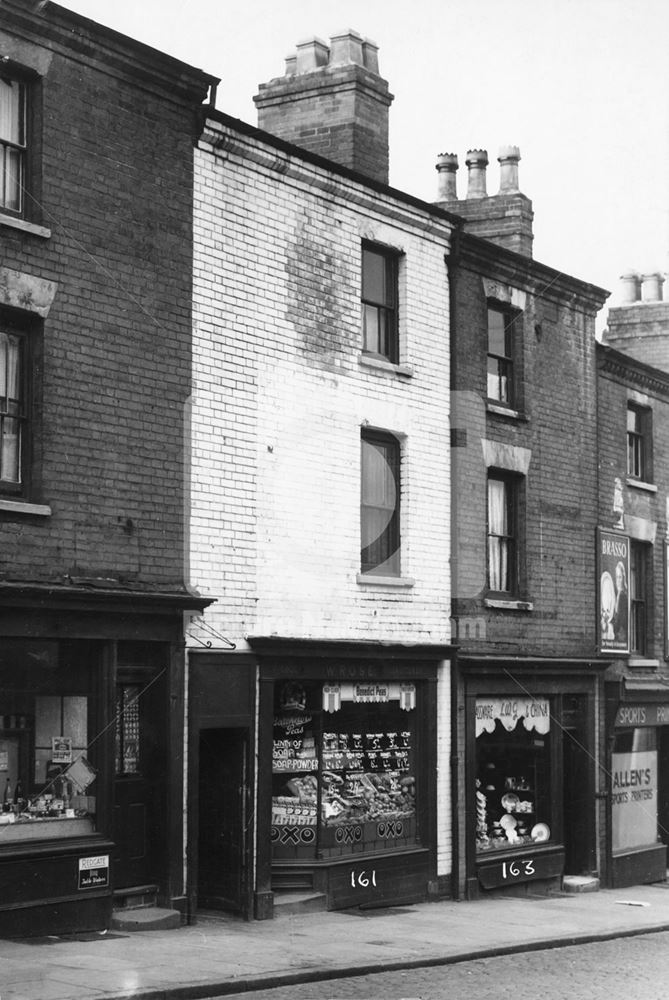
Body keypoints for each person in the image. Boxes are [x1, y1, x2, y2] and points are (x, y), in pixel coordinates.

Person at [611, 560, 629, 645]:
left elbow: (622, 621)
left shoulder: (623, 596)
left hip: (620, 637)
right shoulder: (617, 594)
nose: (618, 580)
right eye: (616, 577)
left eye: (620, 577)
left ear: (623, 578)